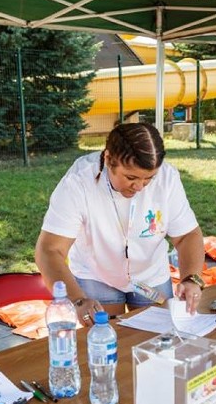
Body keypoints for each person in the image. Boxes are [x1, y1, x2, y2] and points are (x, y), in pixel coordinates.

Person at [35, 123, 205, 324]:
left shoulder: (167, 178)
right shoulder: (78, 182)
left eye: (149, 179)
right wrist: (78, 300)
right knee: (105, 338)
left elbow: (187, 235)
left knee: (160, 337)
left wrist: (191, 278)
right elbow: (49, 250)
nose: (140, 186)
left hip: (150, 275)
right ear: (108, 159)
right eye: (131, 177)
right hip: (97, 275)